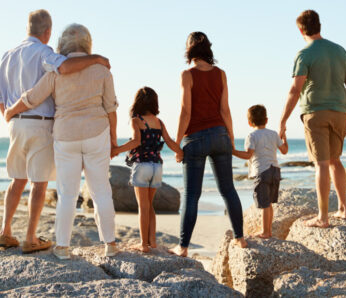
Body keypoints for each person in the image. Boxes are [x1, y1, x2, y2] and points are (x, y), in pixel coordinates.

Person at [4, 23, 118, 259]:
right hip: (97, 133)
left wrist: (10, 111)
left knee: (67, 193)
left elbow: (32, 98)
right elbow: (111, 109)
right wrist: (114, 140)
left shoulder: (55, 72)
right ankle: (110, 245)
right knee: (101, 192)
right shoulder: (102, 70)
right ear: (88, 44)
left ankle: (63, 247)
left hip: (65, 136)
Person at [170, 32, 247, 257]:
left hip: (195, 138)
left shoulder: (187, 74)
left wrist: (176, 144)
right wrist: (230, 138)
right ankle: (240, 239)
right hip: (220, 135)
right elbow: (225, 109)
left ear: (189, 50)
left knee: (192, 195)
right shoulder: (221, 74)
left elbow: (186, 111)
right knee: (228, 190)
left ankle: (183, 247)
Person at [279, 10, 346, 228]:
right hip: (339, 111)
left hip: (315, 112)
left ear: (300, 29)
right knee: (335, 160)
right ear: (319, 25)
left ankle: (323, 217)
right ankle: (343, 209)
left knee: (321, 164)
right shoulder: (340, 51)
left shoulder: (304, 53)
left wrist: (283, 120)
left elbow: (295, 90)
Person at [112, 87, 183, 253]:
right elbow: (171, 143)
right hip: (157, 166)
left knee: (142, 206)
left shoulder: (136, 120)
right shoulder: (159, 122)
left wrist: (116, 150)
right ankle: (153, 241)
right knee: (150, 206)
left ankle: (143, 244)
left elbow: (136, 142)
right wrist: (180, 153)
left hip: (142, 165)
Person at [233, 105, 288, 238]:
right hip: (275, 170)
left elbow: (248, 155)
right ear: (266, 120)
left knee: (264, 204)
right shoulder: (274, 134)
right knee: (269, 203)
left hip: (262, 172)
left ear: (249, 122)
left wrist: (233, 151)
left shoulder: (252, 136)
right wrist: (284, 135)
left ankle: (265, 232)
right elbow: (285, 150)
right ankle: (268, 231)